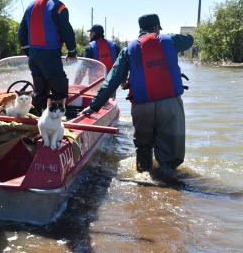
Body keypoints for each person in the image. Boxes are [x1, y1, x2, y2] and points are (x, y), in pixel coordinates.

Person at [81, 14, 194, 173]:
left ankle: (144, 178)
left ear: (139, 29)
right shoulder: (171, 40)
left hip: (142, 106)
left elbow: (111, 81)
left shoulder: (129, 49)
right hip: (170, 106)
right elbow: (189, 41)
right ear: (157, 28)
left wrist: (94, 107)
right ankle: (168, 182)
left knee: (143, 148)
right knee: (171, 154)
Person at [18, 0, 77, 116]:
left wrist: (28, 50)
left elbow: (21, 31)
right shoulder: (60, 6)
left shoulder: (31, 5)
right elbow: (66, 30)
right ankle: (57, 121)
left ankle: (37, 120)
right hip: (50, 55)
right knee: (59, 90)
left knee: (40, 92)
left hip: (34, 56)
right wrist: (72, 50)